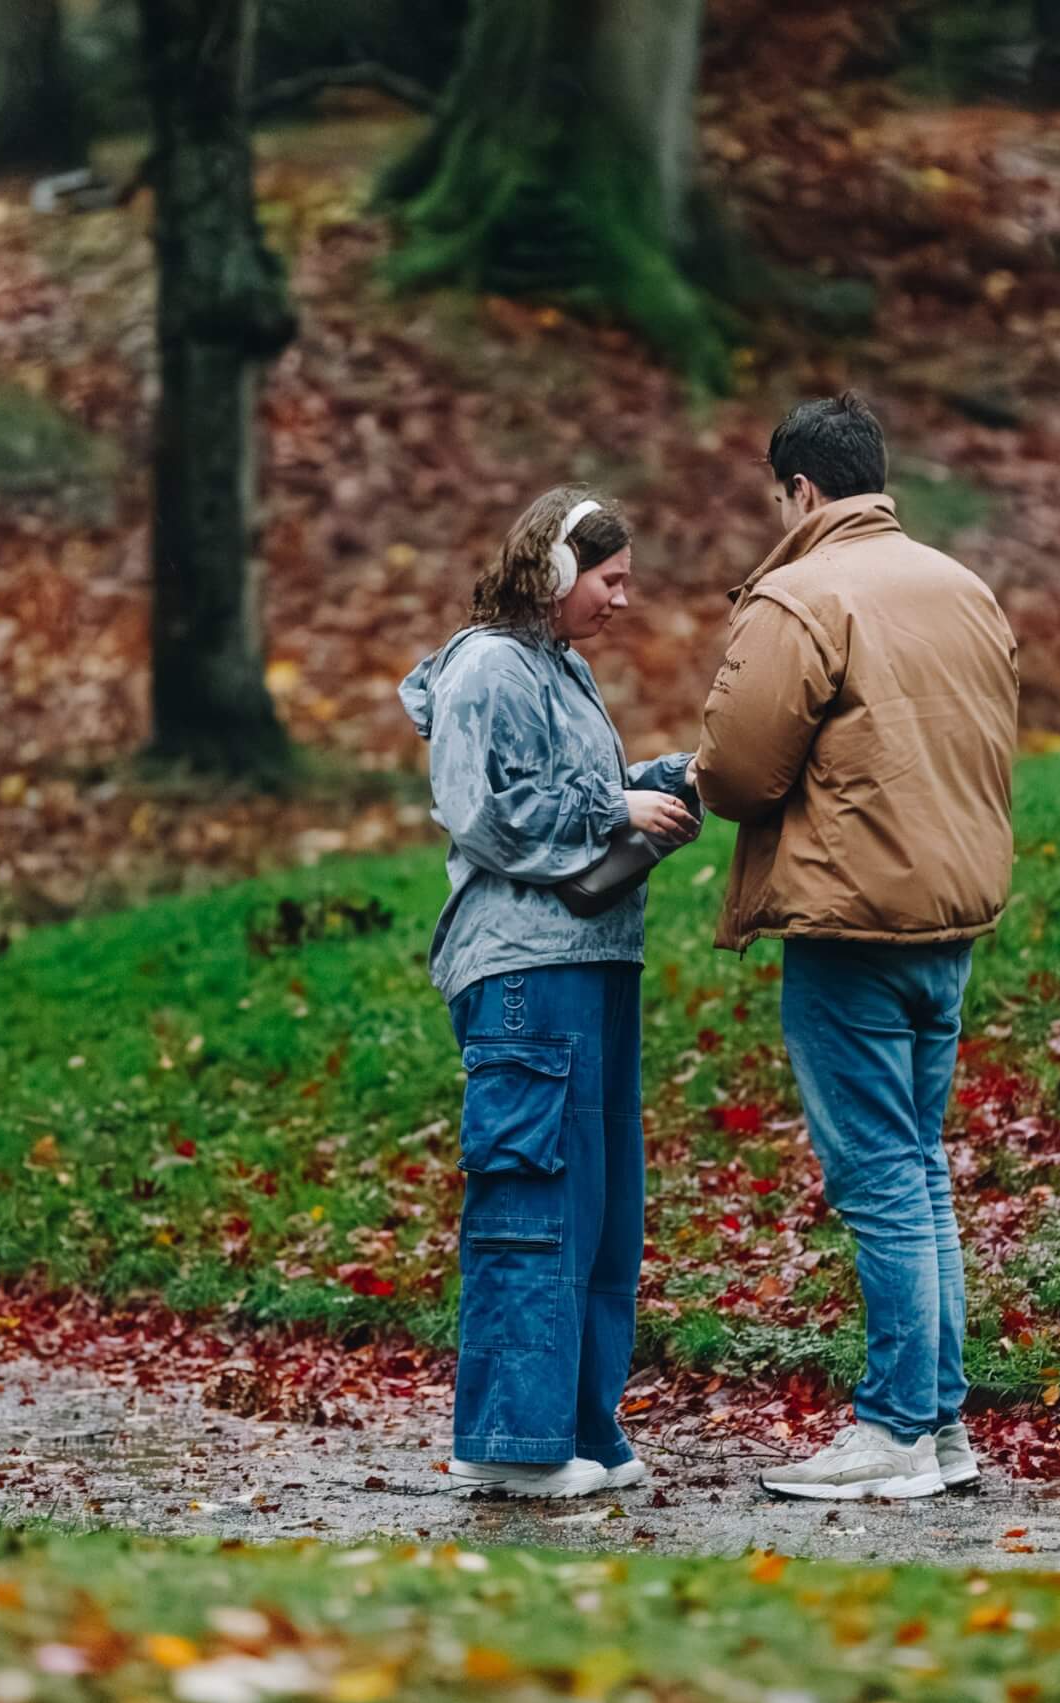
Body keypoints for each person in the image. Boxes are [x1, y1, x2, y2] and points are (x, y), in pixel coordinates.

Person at [689, 394, 1020, 1500]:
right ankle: (943, 1430)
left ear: (800, 491)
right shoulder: (962, 588)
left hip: (849, 924)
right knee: (921, 1173)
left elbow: (737, 771)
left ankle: (889, 1434)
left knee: (881, 1183)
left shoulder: (803, 593)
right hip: (949, 922)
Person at [398, 485, 699, 1499]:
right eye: (609, 578)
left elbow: (576, 791)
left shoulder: (560, 670)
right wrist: (617, 803)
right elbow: (485, 809)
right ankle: (511, 1443)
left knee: (602, 1205)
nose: (622, 598)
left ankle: (582, 1430)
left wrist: (674, 780)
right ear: (559, 570)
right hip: (525, 971)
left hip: (594, 960)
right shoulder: (488, 667)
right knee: (534, 1195)